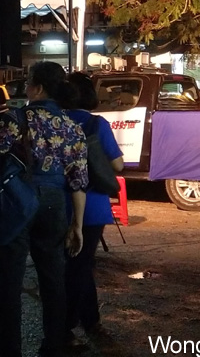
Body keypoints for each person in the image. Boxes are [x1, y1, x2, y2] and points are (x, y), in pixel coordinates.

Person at [0, 61, 88, 357]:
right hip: (54, 204)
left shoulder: (16, 119)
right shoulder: (72, 126)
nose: (25, 88)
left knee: (10, 284)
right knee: (53, 279)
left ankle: (10, 352)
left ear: (37, 88)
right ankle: (53, 346)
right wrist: (77, 225)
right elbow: (78, 180)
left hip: (18, 201)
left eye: (27, 83)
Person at [62, 72, 124, 347]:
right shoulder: (97, 124)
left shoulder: (56, 123)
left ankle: (87, 321)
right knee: (81, 266)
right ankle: (73, 325)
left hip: (59, 204)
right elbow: (118, 165)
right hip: (94, 206)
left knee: (73, 267)